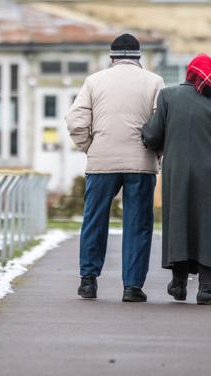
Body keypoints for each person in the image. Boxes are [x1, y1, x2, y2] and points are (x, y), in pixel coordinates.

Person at [140, 54, 211, 305]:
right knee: (209, 224)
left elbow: (154, 134)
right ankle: (206, 287)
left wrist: (145, 134)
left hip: (177, 171)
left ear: (188, 74)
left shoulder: (169, 97)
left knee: (178, 221)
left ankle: (179, 284)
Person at [65, 33, 164, 302]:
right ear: (138, 57)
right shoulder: (154, 82)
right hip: (140, 162)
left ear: (112, 57)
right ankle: (132, 287)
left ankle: (88, 281)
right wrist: (156, 152)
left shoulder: (94, 81)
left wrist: (90, 146)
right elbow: (161, 125)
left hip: (101, 162)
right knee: (138, 224)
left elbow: (76, 120)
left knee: (94, 219)